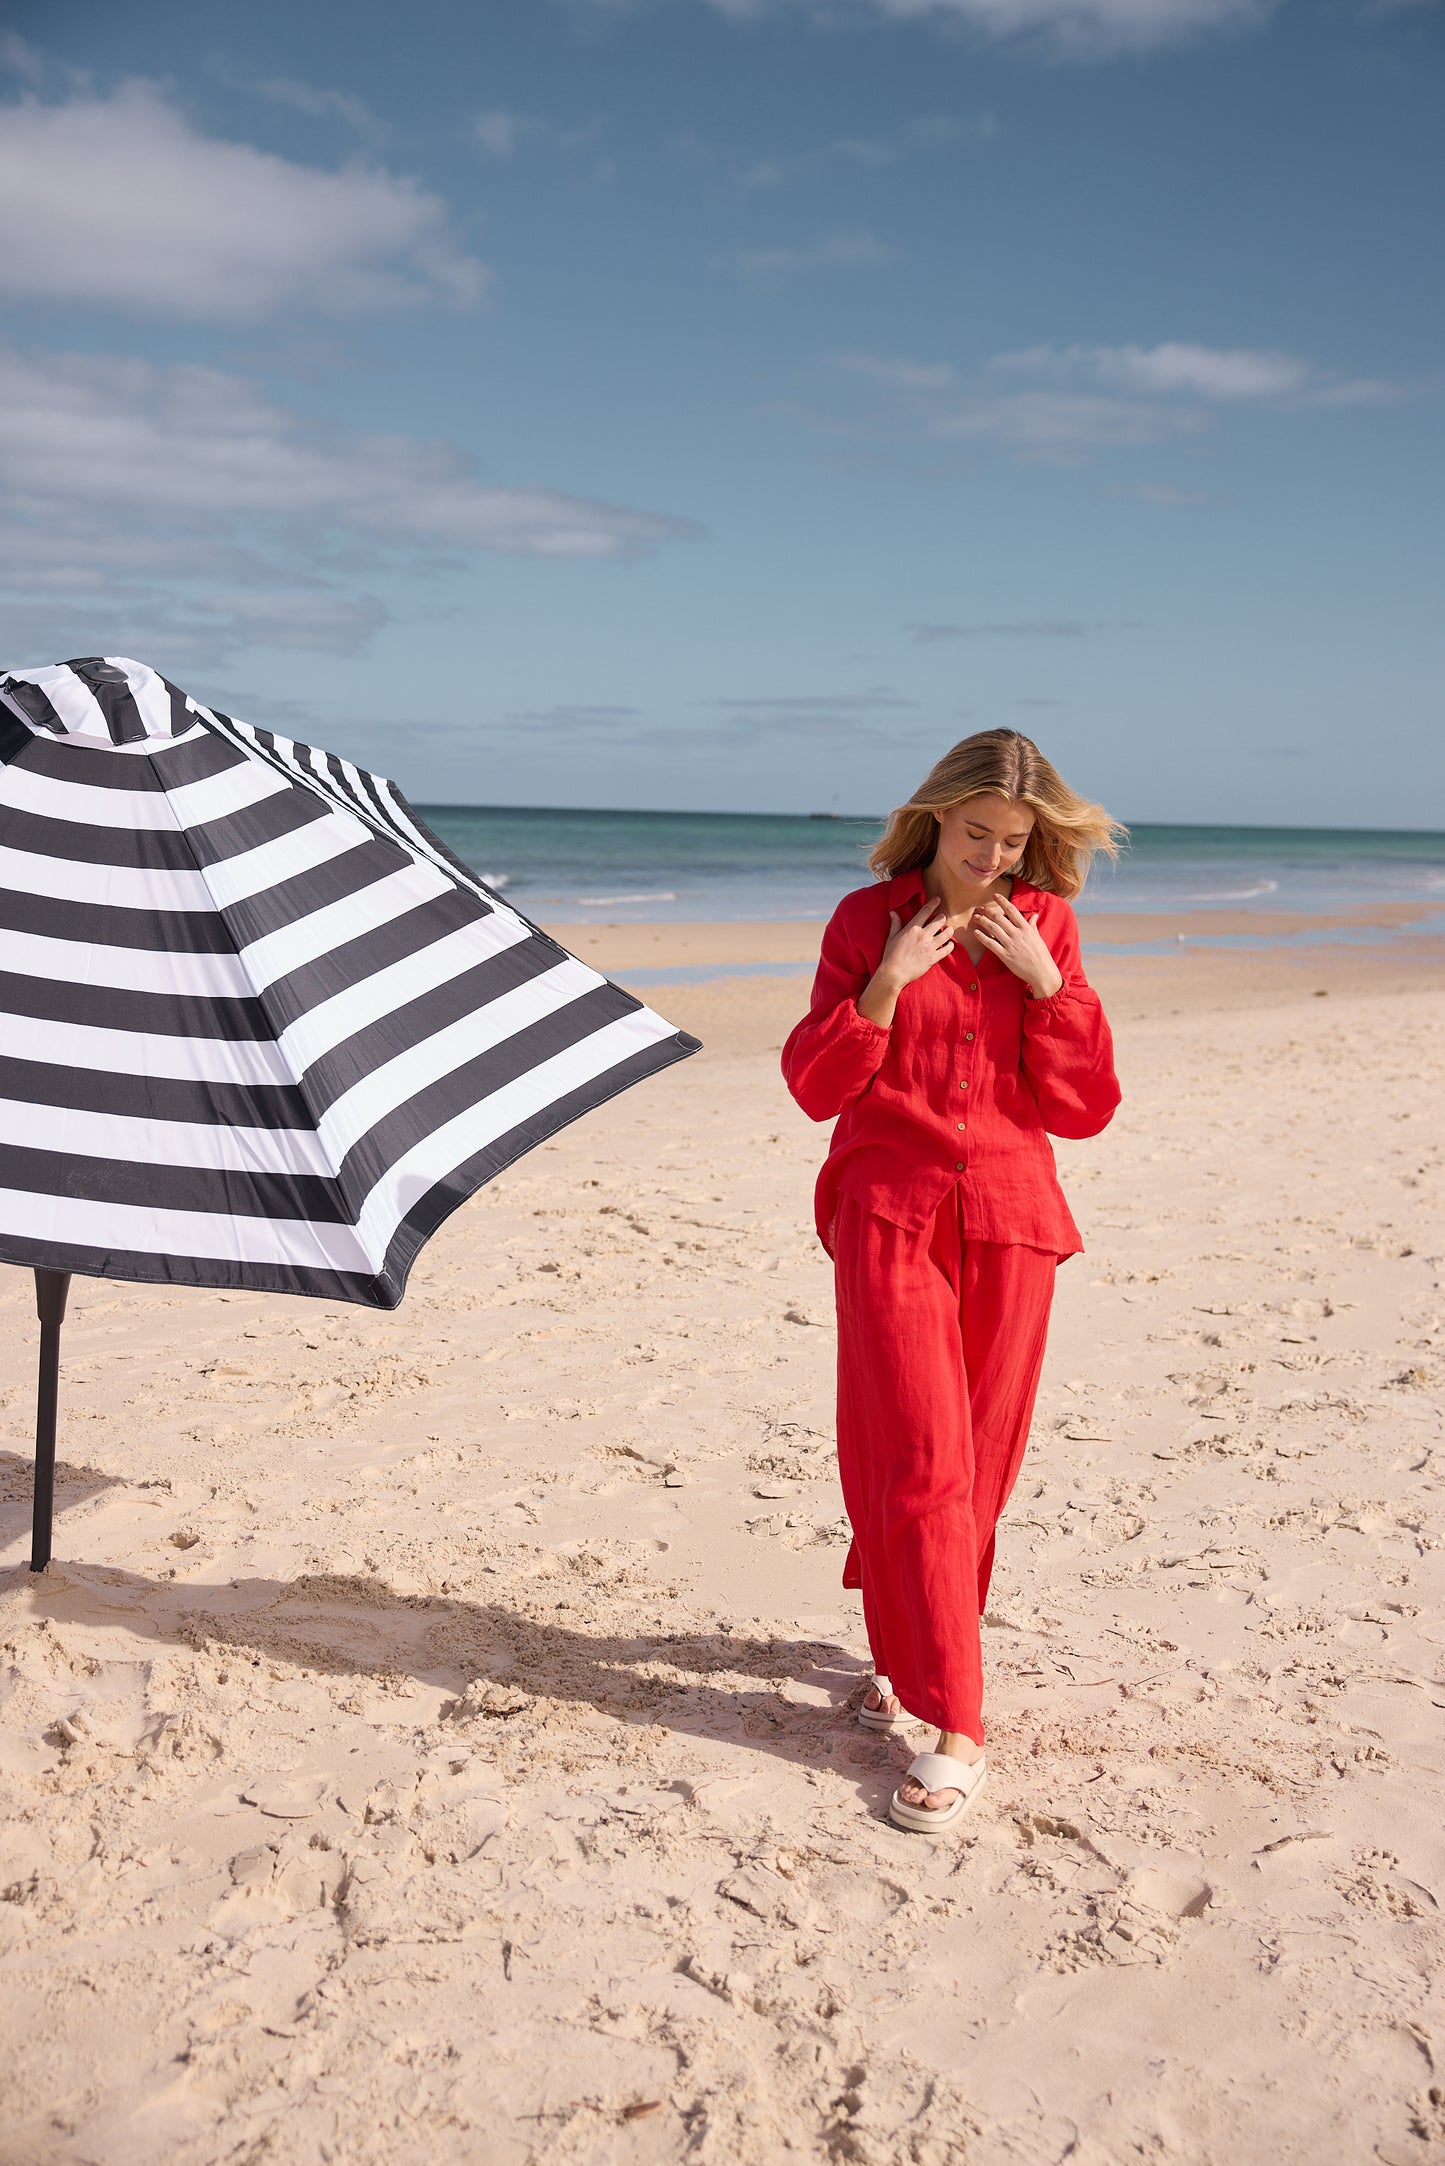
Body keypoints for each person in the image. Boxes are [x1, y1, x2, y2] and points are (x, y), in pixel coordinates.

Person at [782, 730, 1122, 1832]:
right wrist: (887, 980)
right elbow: (815, 1085)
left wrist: (1045, 984)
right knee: (918, 1455)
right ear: (934, 820)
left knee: (972, 1467)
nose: (991, 860)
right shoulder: (861, 921)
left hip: (1015, 1222)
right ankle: (954, 1724)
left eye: (1013, 842)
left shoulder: (1046, 926)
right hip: (889, 1213)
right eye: (975, 835)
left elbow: (1081, 1108)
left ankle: (905, 1648)